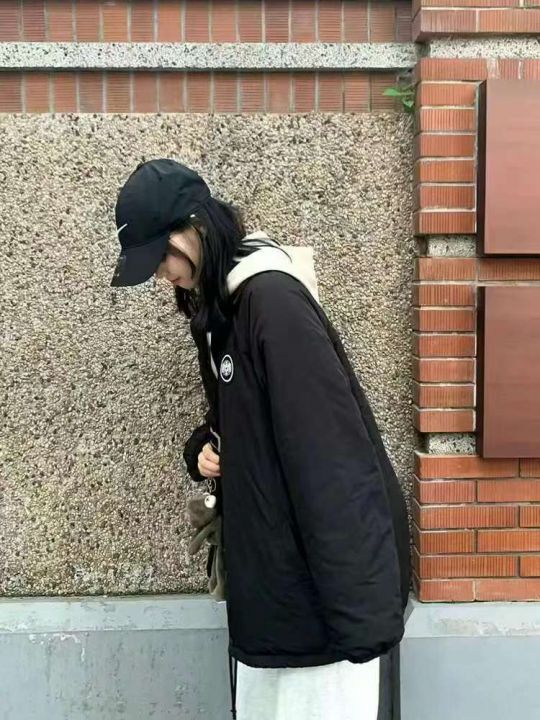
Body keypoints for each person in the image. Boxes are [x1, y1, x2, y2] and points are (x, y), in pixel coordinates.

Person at [110, 158, 411, 720]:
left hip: (316, 614)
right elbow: (246, 415)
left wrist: (364, 621)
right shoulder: (223, 310)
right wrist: (205, 448)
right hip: (274, 596)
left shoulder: (271, 302)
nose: (161, 276)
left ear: (193, 229)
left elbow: (334, 461)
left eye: (160, 258)